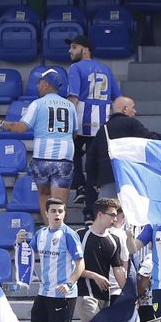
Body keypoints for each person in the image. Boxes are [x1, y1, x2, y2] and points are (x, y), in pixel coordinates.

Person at [0, 68, 79, 221]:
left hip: (42, 157)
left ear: (46, 85)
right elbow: (74, 132)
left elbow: (20, 128)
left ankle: (48, 229)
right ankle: (57, 232)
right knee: (59, 203)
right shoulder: (69, 106)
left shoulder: (38, 104)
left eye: (40, 83)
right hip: (64, 158)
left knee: (43, 194)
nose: (37, 86)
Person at [21, 197, 84, 322]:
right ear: (46, 213)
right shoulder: (40, 234)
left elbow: (81, 264)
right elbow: (26, 253)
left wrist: (70, 282)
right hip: (43, 292)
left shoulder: (69, 235)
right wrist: (20, 242)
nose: (57, 214)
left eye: (61, 211)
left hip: (63, 295)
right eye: (54, 211)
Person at [65, 34, 120, 219]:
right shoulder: (106, 69)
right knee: (93, 168)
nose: (70, 51)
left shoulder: (75, 68)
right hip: (102, 125)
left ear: (85, 49)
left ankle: (79, 186)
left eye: (73, 47)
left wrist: (69, 125)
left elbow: (73, 98)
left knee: (71, 155)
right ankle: (90, 214)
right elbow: (117, 98)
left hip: (81, 123)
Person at [76, 198, 128, 322]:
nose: (115, 219)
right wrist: (94, 275)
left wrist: (128, 294)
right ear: (100, 214)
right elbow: (71, 267)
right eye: (112, 215)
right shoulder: (80, 235)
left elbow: (118, 270)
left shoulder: (113, 240)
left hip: (104, 296)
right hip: (84, 294)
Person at [84, 95, 161, 206]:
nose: (135, 111)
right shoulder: (132, 124)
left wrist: (95, 180)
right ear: (125, 109)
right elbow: (147, 138)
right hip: (129, 177)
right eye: (133, 107)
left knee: (107, 210)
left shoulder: (103, 129)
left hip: (107, 177)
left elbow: (91, 158)